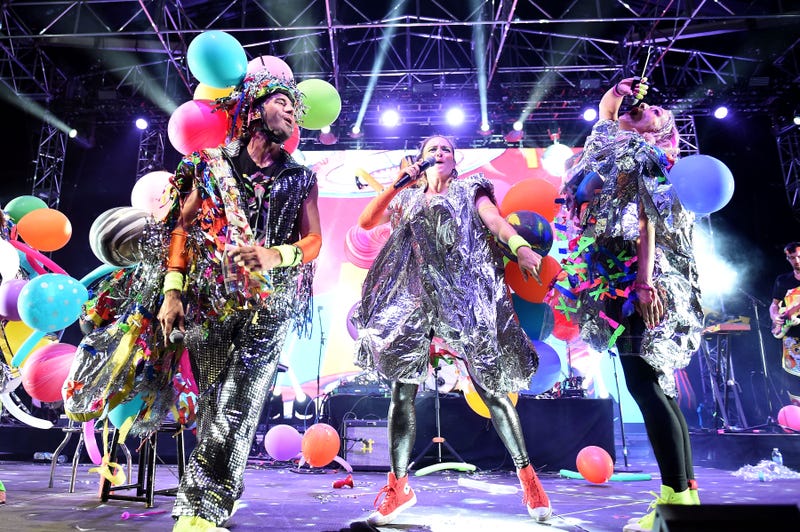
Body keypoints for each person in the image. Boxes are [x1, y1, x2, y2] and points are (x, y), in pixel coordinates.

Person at [352, 135, 552, 526]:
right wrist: (400, 182)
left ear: (455, 161)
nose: (439, 154)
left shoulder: (469, 189)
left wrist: (518, 246)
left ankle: (529, 479)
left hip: (463, 298)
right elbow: (366, 221)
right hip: (414, 301)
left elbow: (493, 220)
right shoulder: (408, 198)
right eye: (432, 150)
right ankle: (398, 487)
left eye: (446, 149)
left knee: (492, 392)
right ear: (421, 160)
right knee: (402, 392)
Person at [157, 70, 322, 531]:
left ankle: (198, 510)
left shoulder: (302, 178)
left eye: (295, 108)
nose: (291, 111)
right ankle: (223, 489)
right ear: (253, 109)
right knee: (216, 405)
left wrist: (275, 254)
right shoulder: (209, 166)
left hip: (271, 304)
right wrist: (172, 291)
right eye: (282, 102)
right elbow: (182, 229)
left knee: (238, 402)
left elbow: (314, 241)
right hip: (209, 301)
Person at [560, 77, 703, 532]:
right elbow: (606, 111)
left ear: (662, 131)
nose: (648, 106)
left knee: (646, 384)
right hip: (615, 281)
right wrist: (620, 90)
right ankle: (684, 497)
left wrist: (643, 284)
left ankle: (675, 500)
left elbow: (647, 220)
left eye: (658, 110)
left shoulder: (651, 156)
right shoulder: (612, 141)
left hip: (638, 283)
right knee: (656, 386)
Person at [769, 242, 800, 406]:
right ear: (788, 258)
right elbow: (774, 305)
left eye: (799, 257)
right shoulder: (782, 281)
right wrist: (775, 316)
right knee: (794, 383)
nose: (797, 261)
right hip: (791, 340)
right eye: (792, 258)